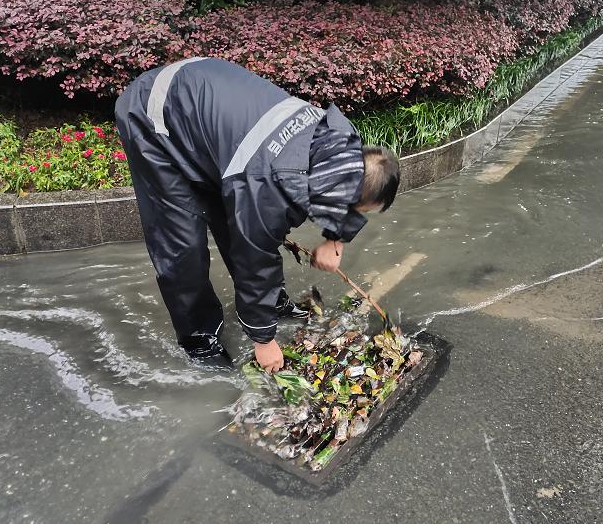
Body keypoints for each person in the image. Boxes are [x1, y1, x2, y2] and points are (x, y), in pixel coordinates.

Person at [114, 57, 399, 372]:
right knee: (183, 244)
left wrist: (335, 239)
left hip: (207, 104)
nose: (354, 214)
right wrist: (264, 341)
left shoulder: (341, 146)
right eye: (359, 210)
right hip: (156, 116)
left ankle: (269, 303)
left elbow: (346, 195)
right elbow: (254, 256)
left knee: (238, 214)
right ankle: (198, 338)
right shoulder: (269, 186)